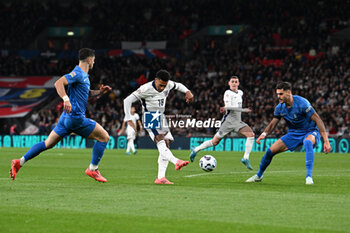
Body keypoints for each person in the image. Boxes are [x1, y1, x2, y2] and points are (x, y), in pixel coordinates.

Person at [10, 48, 112, 183]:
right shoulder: (78, 73)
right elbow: (58, 83)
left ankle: (20, 162)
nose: (94, 62)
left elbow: (85, 94)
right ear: (89, 59)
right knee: (104, 137)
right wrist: (65, 98)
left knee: (47, 144)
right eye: (93, 59)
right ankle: (93, 168)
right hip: (76, 118)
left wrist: (99, 92)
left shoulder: (84, 77)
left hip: (66, 118)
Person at [246, 82, 331, 185]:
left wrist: (326, 141)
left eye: (281, 94)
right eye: (277, 94)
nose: (278, 96)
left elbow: (318, 120)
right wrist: (264, 134)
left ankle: (309, 177)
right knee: (270, 151)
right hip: (293, 134)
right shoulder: (280, 107)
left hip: (310, 131)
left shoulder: (302, 103)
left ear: (288, 92)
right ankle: (259, 175)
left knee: (308, 142)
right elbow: (273, 124)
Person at [123, 69, 194, 184]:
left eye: (164, 86)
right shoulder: (145, 88)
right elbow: (127, 100)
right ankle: (176, 161)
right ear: (155, 80)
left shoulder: (168, 84)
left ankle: (161, 178)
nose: (162, 88)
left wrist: (188, 91)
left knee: (166, 144)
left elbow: (178, 85)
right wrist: (128, 119)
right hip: (150, 116)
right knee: (159, 139)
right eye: (160, 85)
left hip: (161, 117)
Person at [189, 76, 255, 169]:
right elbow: (228, 106)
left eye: (236, 82)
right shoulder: (227, 93)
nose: (234, 83)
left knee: (251, 135)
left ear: (238, 84)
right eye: (232, 82)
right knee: (214, 142)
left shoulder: (240, 93)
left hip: (238, 122)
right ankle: (196, 150)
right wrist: (244, 110)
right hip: (227, 122)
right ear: (229, 83)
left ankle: (245, 158)